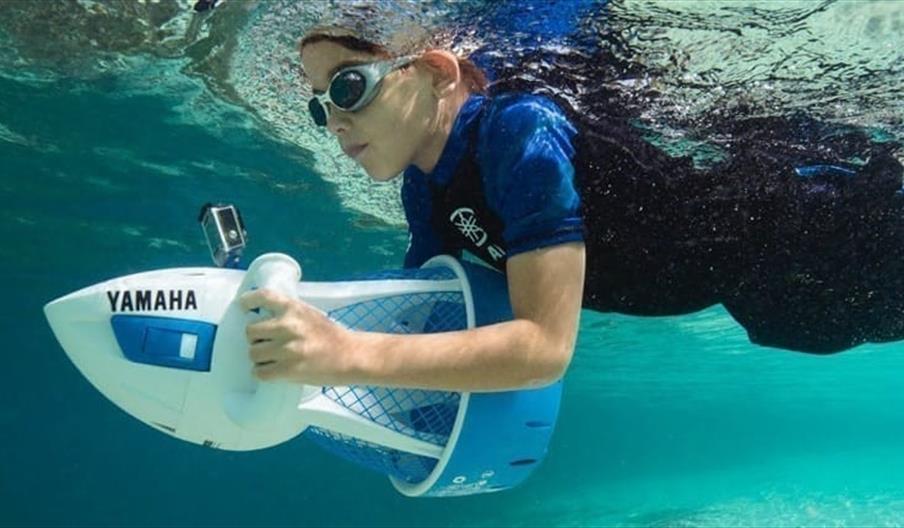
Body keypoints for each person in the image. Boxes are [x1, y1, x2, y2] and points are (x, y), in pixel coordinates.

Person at [240, 25, 904, 391]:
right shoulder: (425, 187)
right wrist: (287, 341)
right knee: (816, 330)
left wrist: (345, 353)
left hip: (815, 224)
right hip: (756, 290)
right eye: (318, 101)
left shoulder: (521, 132)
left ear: (439, 72)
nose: (331, 120)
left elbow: (542, 349)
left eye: (348, 86)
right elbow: (427, 315)